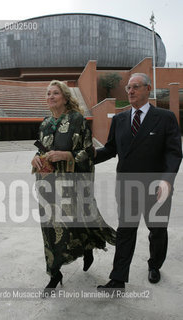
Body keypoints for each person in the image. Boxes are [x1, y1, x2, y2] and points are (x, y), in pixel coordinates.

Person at [95, 73, 182, 291]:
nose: (131, 91)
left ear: (147, 89)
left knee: (157, 230)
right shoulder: (120, 119)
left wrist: (167, 181)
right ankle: (118, 278)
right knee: (126, 230)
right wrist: (83, 157)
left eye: (136, 87)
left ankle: (154, 265)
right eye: (128, 88)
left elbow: (174, 153)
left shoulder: (165, 117)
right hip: (127, 187)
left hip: (156, 188)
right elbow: (110, 149)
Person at [31, 80, 116, 295]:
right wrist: (35, 159)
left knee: (77, 224)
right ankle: (54, 272)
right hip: (47, 187)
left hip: (71, 186)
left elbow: (88, 152)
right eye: (48, 93)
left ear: (65, 97)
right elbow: (41, 149)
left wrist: (67, 155)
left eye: (55, 93)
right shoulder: (45, 123)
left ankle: (87, 248)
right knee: (50, 230)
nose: (50, 96)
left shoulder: (77, 120)